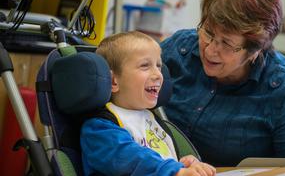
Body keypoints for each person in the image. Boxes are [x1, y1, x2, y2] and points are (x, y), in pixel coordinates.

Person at [160, 0, 285, 167]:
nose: (210, 49)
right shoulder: (179, 49)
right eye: (208, 32)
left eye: (227, 43)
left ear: (256, 50)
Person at [80, 31, 216, 175]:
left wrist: (181, 164)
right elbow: (132, 160)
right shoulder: (100, 129)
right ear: (114, 81)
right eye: (145, 66)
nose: (158, 74)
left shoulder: (151, 119)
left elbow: (158, 161)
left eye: (158, 66)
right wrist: (174, 171)